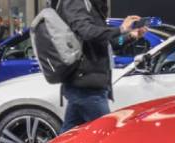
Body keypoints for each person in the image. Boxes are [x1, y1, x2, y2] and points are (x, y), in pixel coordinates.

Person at [57, 0, 146, 132]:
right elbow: (87, 32)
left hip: (90, 84)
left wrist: (131, 36)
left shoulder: (95, 7)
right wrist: (120, 29)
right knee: (107, 134)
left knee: (69, 134)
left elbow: (111, 43)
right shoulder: (76, 2)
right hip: (86, 88)